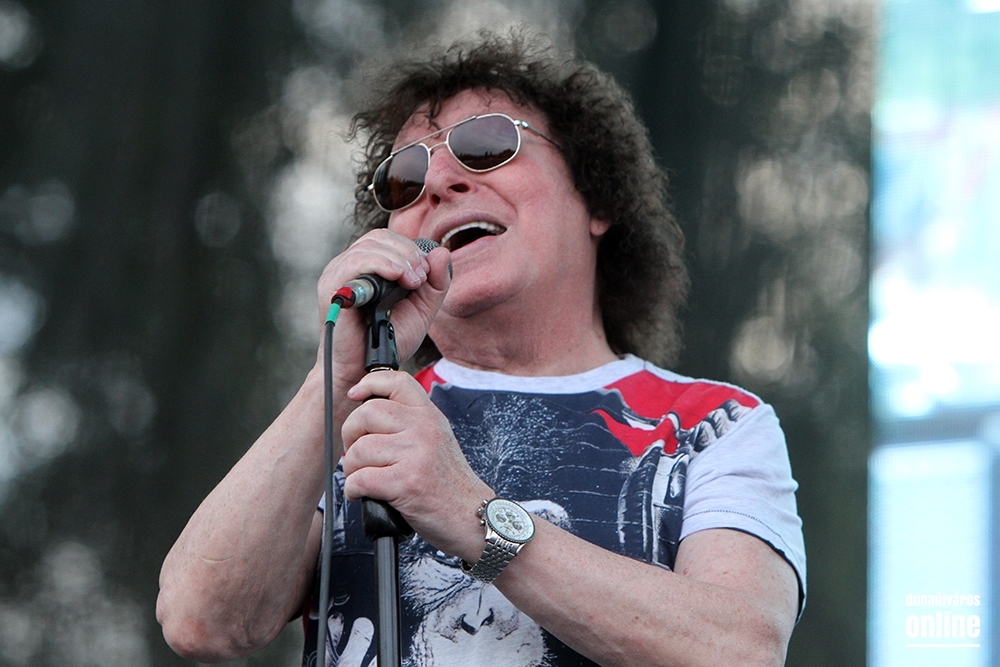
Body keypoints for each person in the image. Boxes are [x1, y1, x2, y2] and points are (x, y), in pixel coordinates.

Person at [156, 30, 806, 667]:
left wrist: (471, 515)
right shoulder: (354, 421)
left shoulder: (717, 426)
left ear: (598, 196)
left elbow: (739, 649)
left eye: (487, 145)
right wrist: (333, 379)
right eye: (404, 180)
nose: (439, 182)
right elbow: (199, 619)